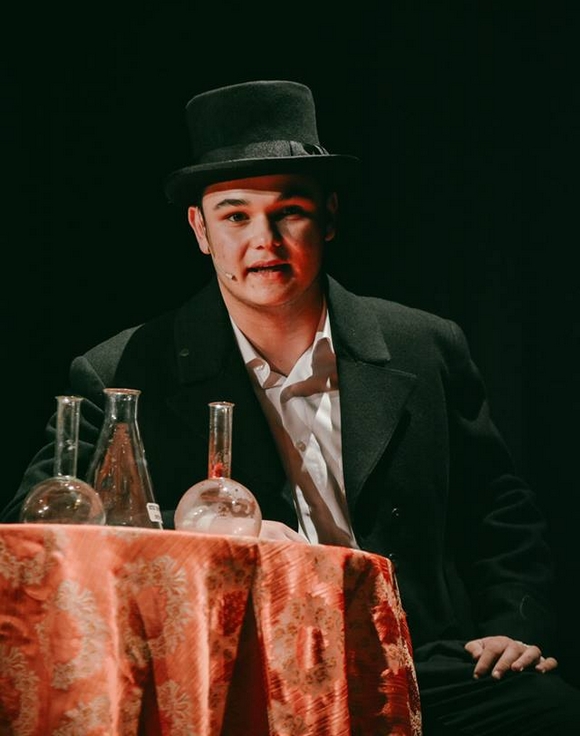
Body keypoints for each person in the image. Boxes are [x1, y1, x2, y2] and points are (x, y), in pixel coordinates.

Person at [2, 79, 579, 733]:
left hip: (415, 660)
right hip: (236, 675)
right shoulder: (120, 371)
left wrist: (513, 624)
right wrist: (206, 534)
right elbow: (38, 535)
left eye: (289, 212)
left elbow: (499, 509)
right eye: (235, 216)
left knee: (553, 716)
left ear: (328, 217)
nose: (264, 240)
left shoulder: (425, 346)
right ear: (200, 230)